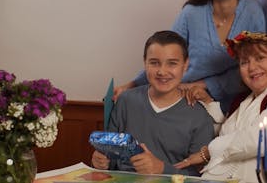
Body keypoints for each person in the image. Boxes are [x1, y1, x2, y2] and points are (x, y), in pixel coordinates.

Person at [115, 0, 266, 113]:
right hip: (183, 98)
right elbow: (166, 54)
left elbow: (256, 64)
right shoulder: (191, 13)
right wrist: (132, 84)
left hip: (234, 106)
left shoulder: (253, 10)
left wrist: (201, 85)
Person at [175, 31, 267, 183]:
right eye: (244, 62)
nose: (252, 67)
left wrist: (207, 152)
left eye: (260, 58)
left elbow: (257, 140)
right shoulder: (244, 99)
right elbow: (230, 134)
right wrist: (208, 103)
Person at [91, 30, 214, 176]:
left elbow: (200, 176)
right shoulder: (125, 101)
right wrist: (99, 161)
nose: (162, 71)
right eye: (154, 63)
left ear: (185, 64)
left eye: (172, 63)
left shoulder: (199, 116)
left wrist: (162, 169)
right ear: (145, 63)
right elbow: (109, 156)